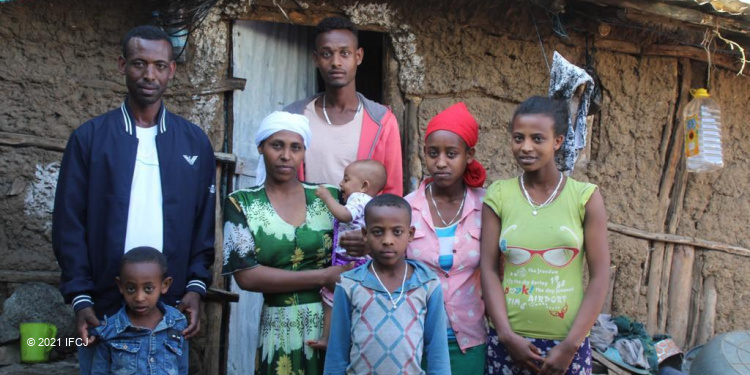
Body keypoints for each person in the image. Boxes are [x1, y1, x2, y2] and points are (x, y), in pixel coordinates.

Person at [52, 25, 215, 374]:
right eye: (139, 63)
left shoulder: (193, 142)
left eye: (159, 65)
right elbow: (69, 225)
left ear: (172, 70)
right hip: (105, 311)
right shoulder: (90, 139)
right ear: (122, 65)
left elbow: (204, 224)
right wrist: (80, 298)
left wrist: (196, 288)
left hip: (170, 313)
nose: (149, 74)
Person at [480, 96, 610, 375]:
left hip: (566, 346)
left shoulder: (585, 197)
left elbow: (600, 276)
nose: (525, 147)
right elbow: (488, 269)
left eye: (537, 138)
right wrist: (505, 335)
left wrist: (571, 345)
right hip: (509, 342)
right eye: (518, 138)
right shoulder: (499, 196)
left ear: (558, 141)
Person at [222, 111, 352, 375]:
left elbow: (360, 245)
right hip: (278, 328)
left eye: (296, 147)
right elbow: (247, 276)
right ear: (261, 147)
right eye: (276, 145)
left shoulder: (329, 198)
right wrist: (325, 275)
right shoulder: (242, 203)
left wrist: (361, 243)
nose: (286, 156)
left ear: (304, 151)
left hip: (333, 323)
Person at [324, 194, 450, 375]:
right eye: (377, 232)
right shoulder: (350, 284)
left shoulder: (427, 284)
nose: (387, 240)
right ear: (365, 234)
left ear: (411, 234)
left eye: (397, 232)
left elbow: (437, 351)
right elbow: (337, 352)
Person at [405, 102, 487, 374]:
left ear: (469, 155)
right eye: (432, 153)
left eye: (451, 154)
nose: (440, 162)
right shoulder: (406, 209)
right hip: (415, 339)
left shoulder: (487, 207)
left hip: (470, 341)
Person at [283, 16, 403, 197]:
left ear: (358, 56)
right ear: (316, 59)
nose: (336, 62)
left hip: (360, 225)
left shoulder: (382, 121)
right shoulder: (294, 117)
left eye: (344, 53)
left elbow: (392, 191)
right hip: (303, 223)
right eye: (326, 53)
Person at [307, 159, 387, 350]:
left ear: (364, 186)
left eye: (346, 179)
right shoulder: (370, 202)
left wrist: (327, 197)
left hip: (353, 262)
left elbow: (345, 215)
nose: (341, 184)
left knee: (330, 298)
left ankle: (329, 338)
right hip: (351, 261)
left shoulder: (359, 199)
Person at [91, 247, 188, 375]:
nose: (139, 297)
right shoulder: (109, 330)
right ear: (120, 286)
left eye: (148, 288)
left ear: (164, 285)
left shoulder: (178, 323)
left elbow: (182, 368)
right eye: (131, 289)